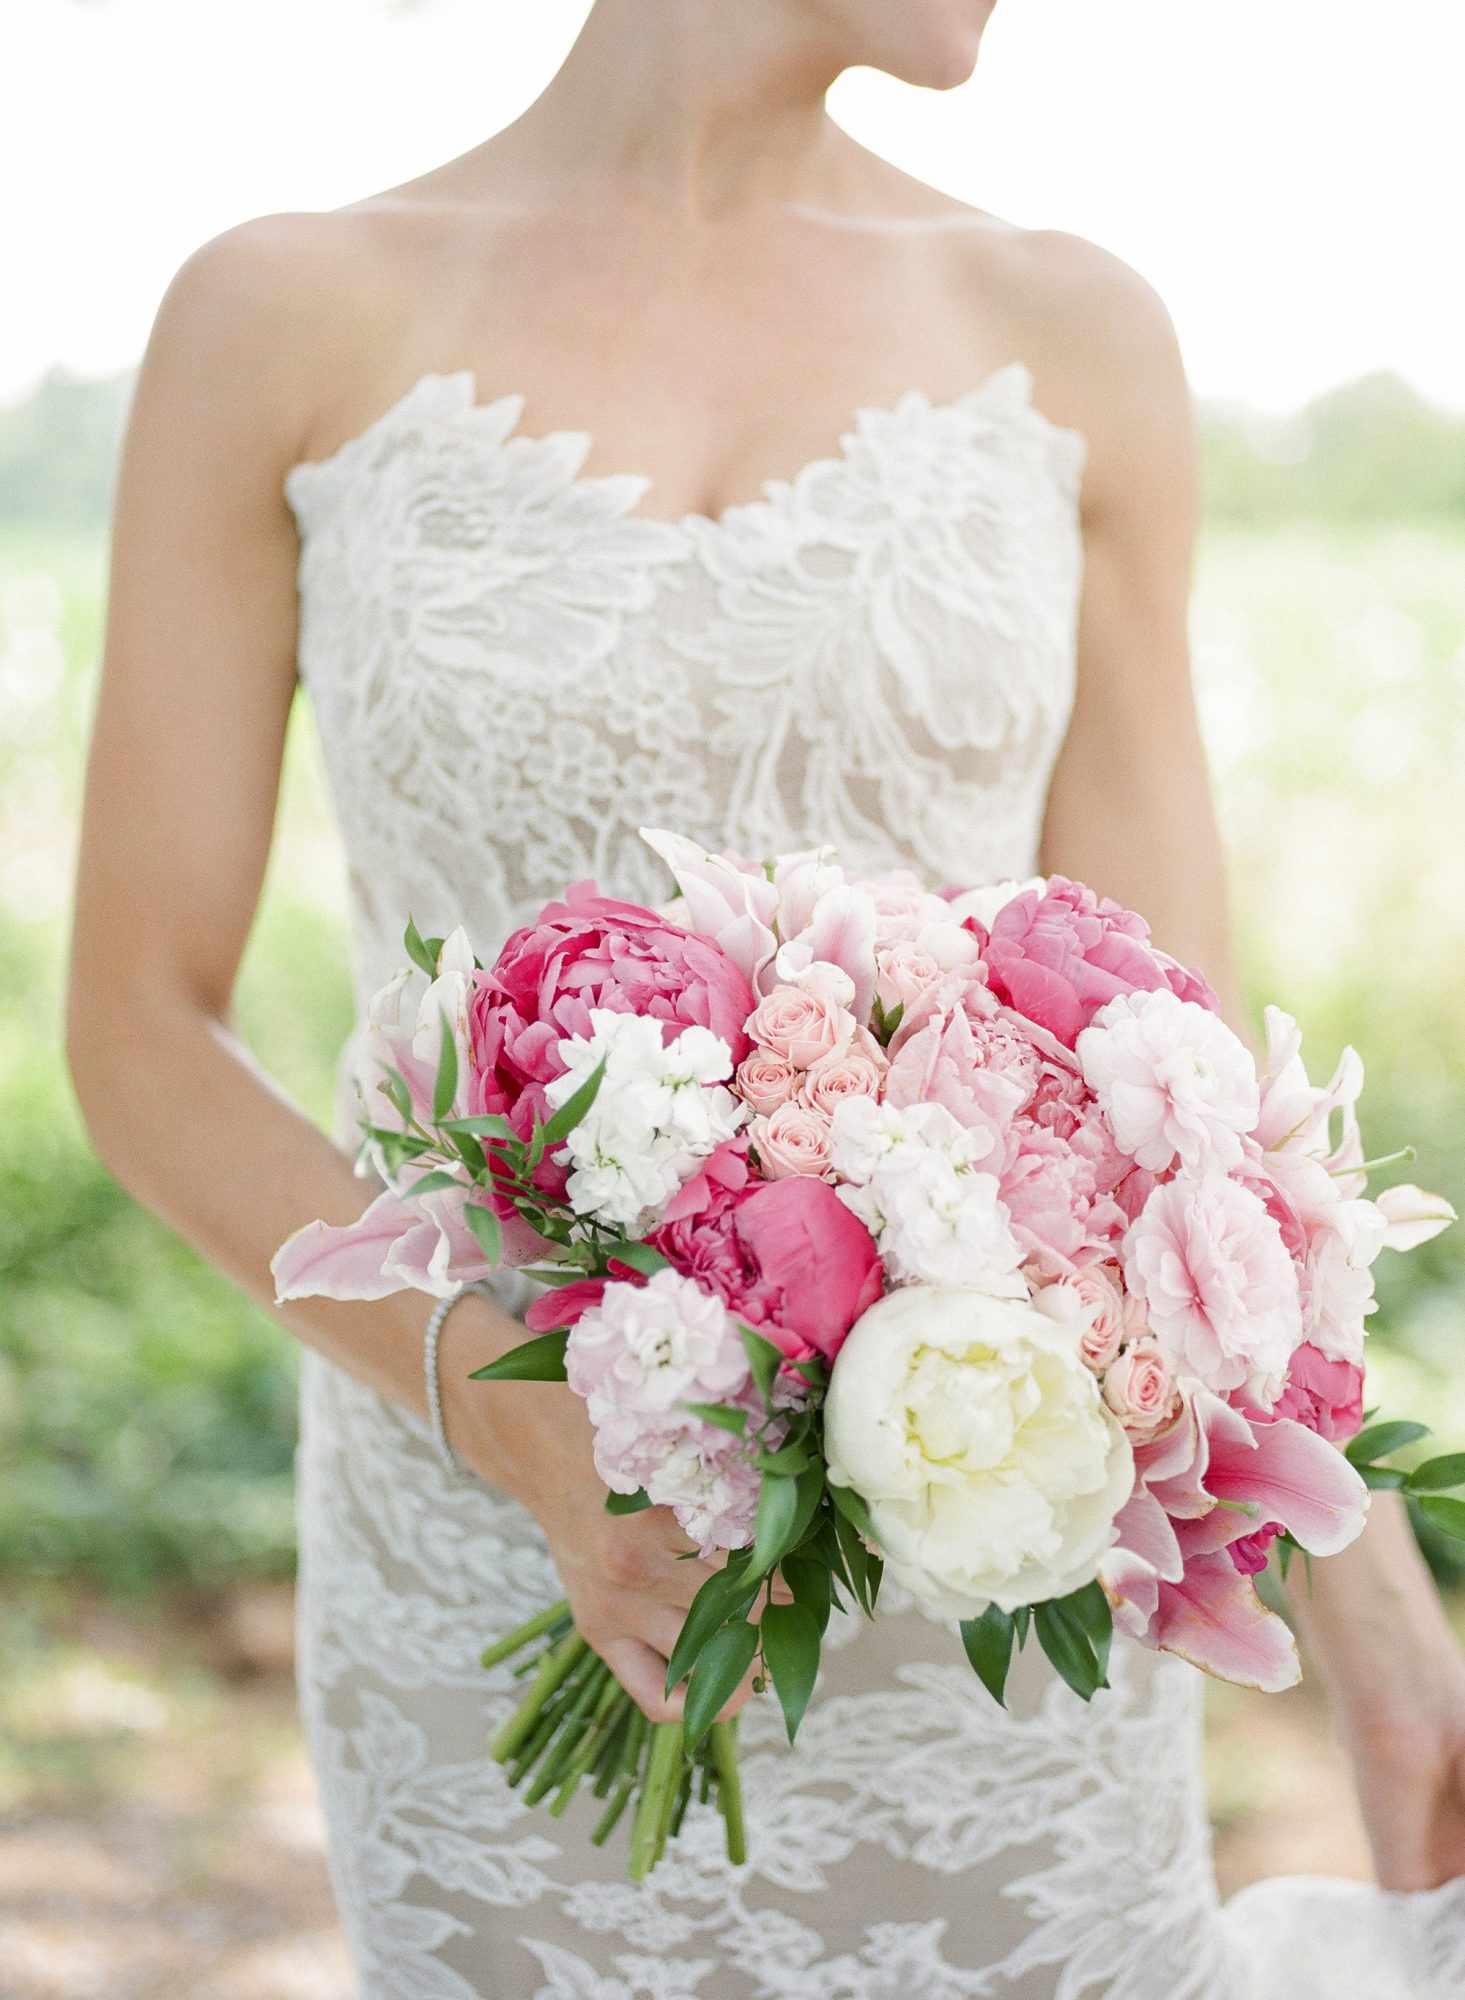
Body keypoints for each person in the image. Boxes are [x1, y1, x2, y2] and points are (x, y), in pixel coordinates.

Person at [65, 1, 1465, 1993]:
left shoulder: (1070, 331)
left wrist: (1378, 1625)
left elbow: (1178, 1071)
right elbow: (136, 1027)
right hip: (478, 1542)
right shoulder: (282, 316)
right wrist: (515, 1425)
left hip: (996, 1559)